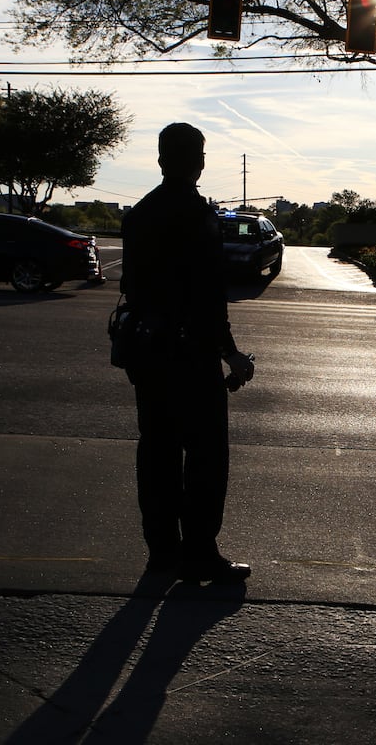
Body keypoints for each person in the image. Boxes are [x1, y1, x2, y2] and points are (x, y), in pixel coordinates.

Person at [120, 122, 254, 582]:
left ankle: (163, 554)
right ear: (198, 161)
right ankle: (199, 553)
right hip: (191, 356)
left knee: (157, 454)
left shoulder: (140, 214)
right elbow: (208, 297)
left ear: (160, 160)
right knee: (205, 458)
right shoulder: (199, 216)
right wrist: (231, 354)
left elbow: (131, 287)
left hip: (148, 353)